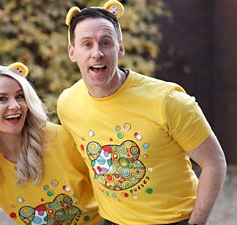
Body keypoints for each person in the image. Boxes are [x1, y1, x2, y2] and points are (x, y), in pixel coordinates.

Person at [57, 1, 227, 225]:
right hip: (111, 220)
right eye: (86, 44)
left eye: (105, 43)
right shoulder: (67, 104)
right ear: (72, 52)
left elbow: (215, 162)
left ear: (120, 48)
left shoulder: (167, 101)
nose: (96, 53)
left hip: (174, 220)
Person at [0, 62, 101, 225]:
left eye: (20, 96)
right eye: (2, 99)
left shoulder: (59, 137)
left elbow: (105, 183)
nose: (15, 105)